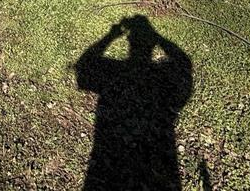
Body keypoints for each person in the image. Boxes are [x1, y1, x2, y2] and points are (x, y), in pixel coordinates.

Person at [75, 15, 193, 191]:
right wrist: (158, 37)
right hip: (160, 154)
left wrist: (111, 35)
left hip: (109, 157)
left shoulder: (117, 70)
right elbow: (183, 63)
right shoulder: (160, 75)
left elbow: (84, 66)